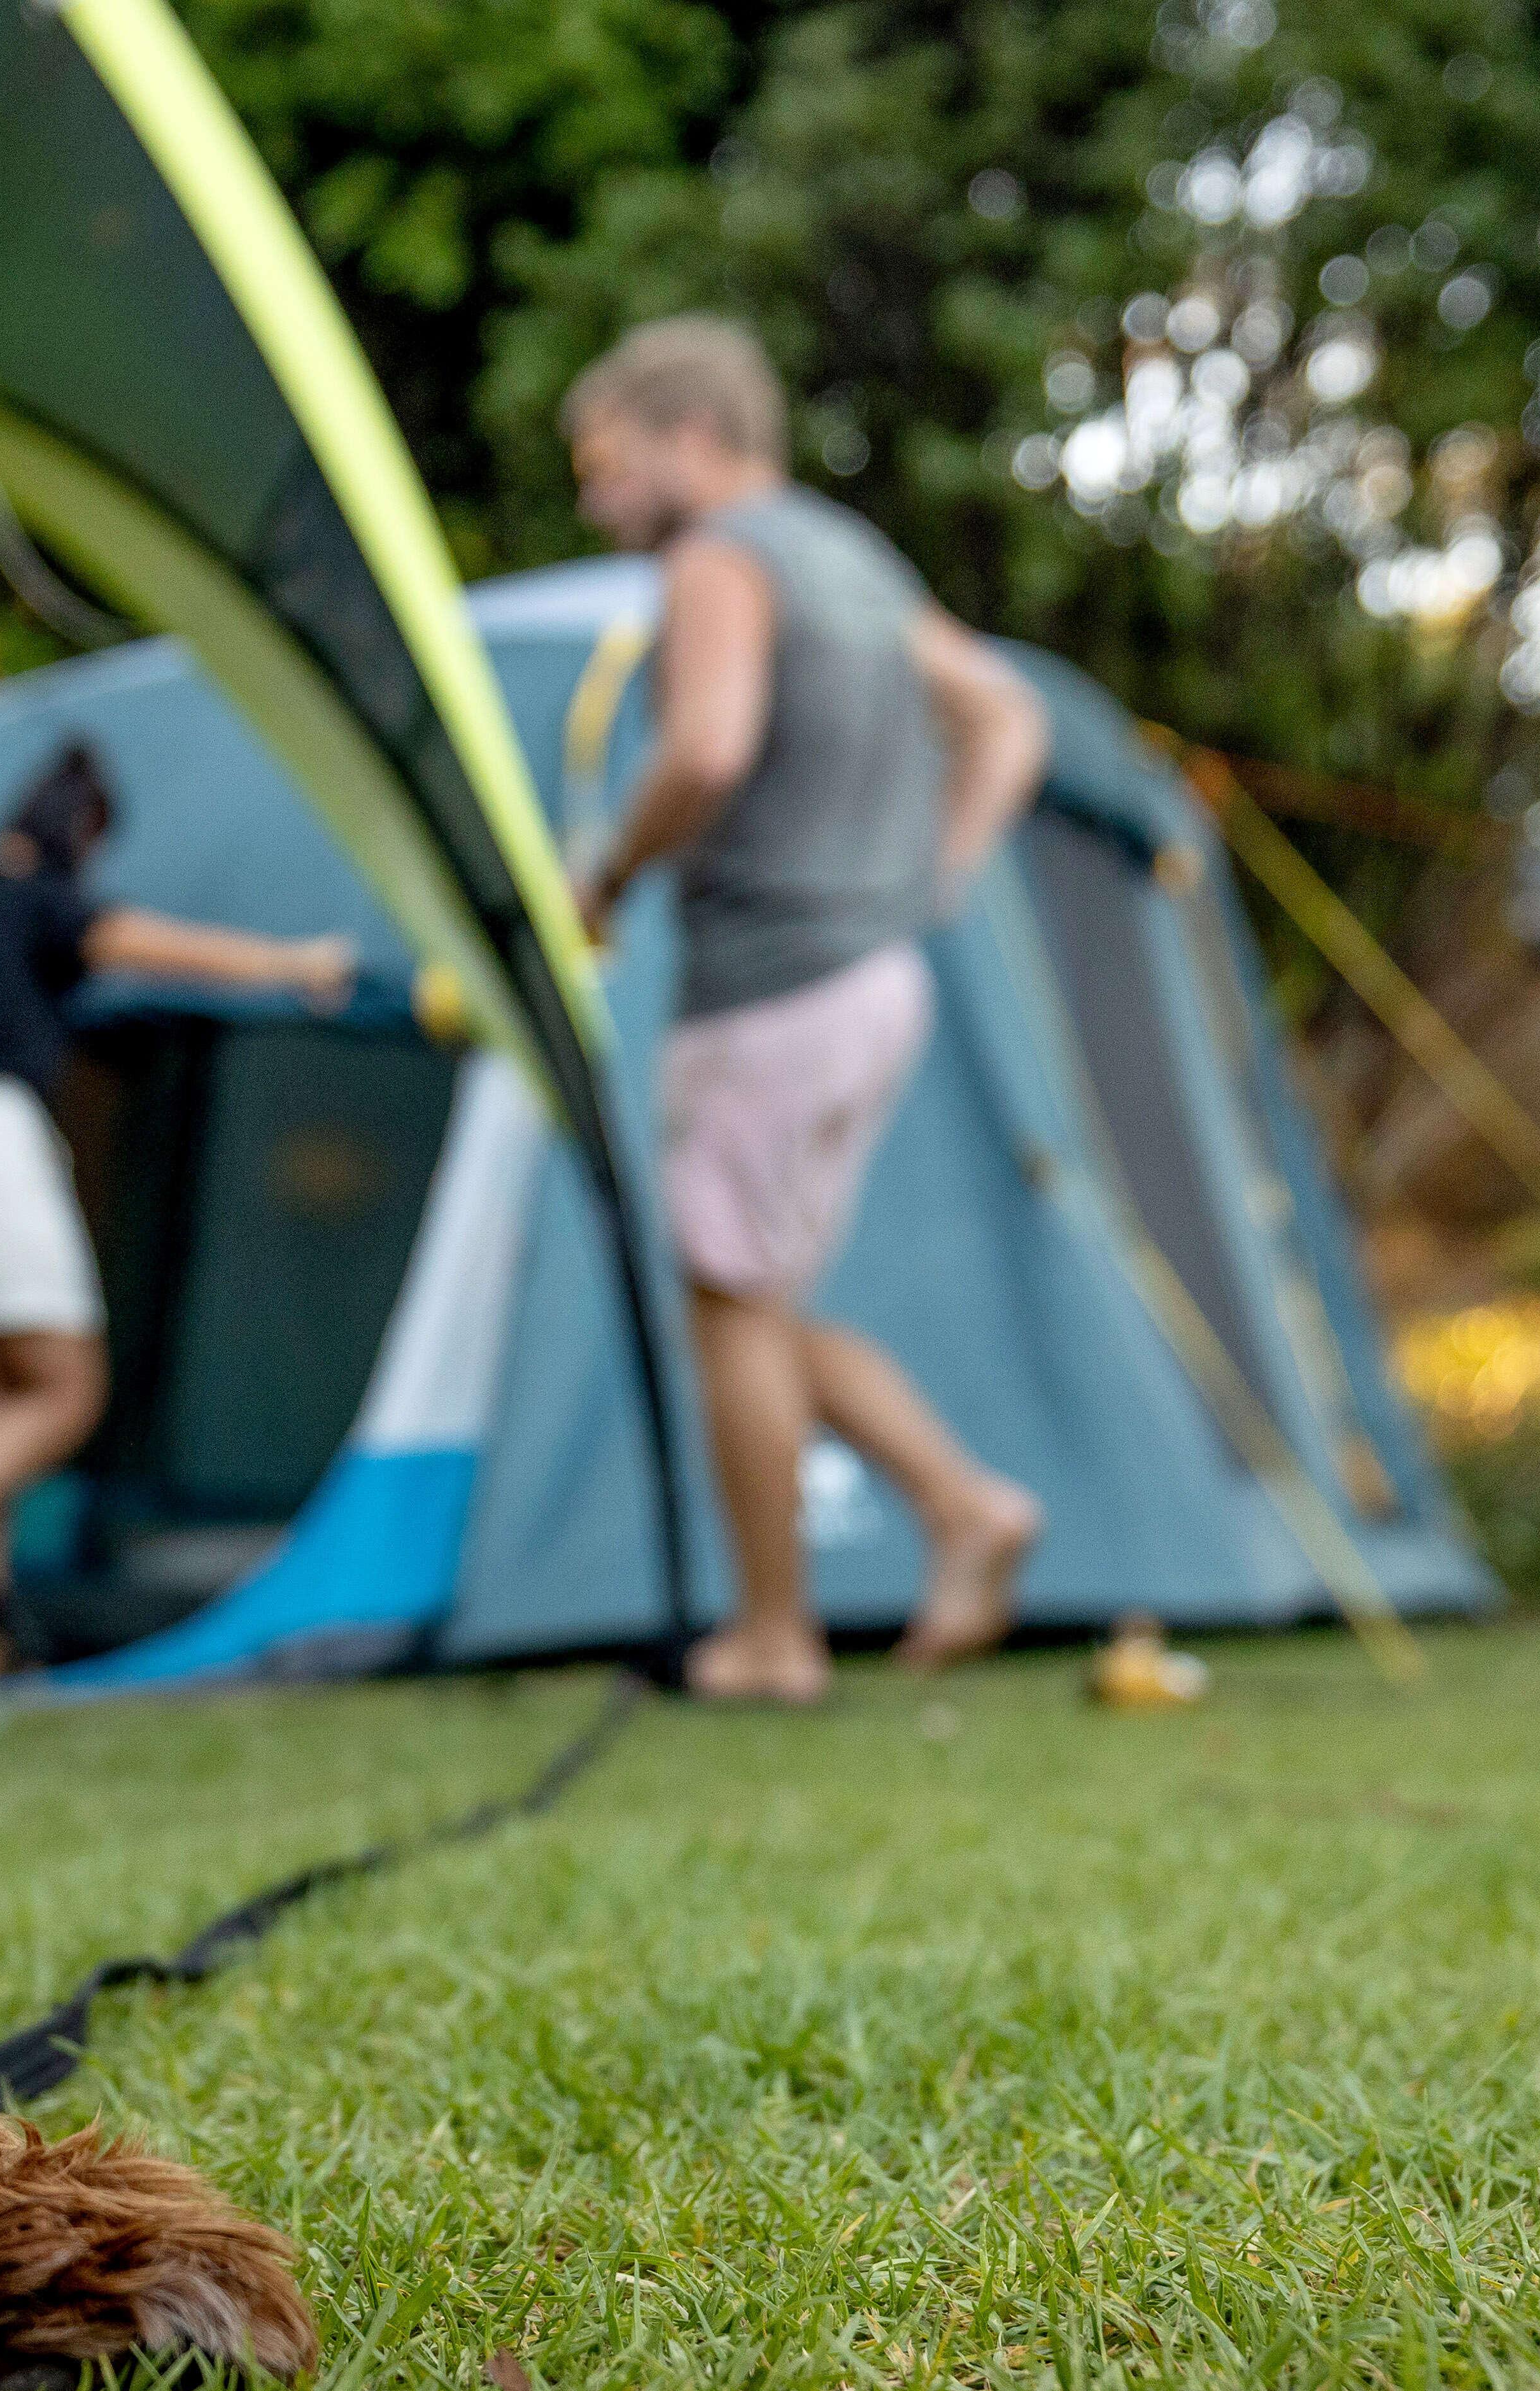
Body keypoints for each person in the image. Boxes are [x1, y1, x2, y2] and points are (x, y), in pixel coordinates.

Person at [564, 315, 1054, 1704]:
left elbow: (707, 745)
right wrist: (936, 871)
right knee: (761, 1294)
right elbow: (1005, 714)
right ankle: (963, 1506)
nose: (600, 502)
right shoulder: (853, 560)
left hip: (773, 985)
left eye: (607, 467)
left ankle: (774, 1638)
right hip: (874, 980)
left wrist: (604, 870)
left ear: (687, 436)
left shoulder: (721, 556)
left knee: (729, 1301)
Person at [0, 745, 358, 1685]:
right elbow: (163, 949)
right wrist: (296, 961)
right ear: (80, 833)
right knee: (64, 1394)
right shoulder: (43, 897)